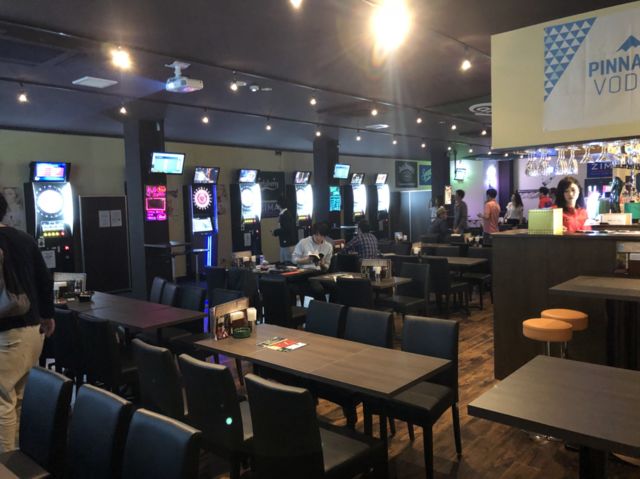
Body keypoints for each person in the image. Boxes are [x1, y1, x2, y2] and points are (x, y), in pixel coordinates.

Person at [0, 192, 55, 453]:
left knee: (2, 400)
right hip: (33, 330)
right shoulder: (24, 238)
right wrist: (48, 315)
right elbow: (45, 280)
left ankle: (6, 464)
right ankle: (21, 457)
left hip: (7, 335)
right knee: (20, 397)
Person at [272, 196, 297, 263]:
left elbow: (286, 229)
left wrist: (275, 232)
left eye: (277, 203)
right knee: (284, 261)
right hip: (285, 243)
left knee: (287, 263)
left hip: (287, 243)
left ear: (280, 204)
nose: (276, 205)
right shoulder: (285, 214)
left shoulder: (285, 215)